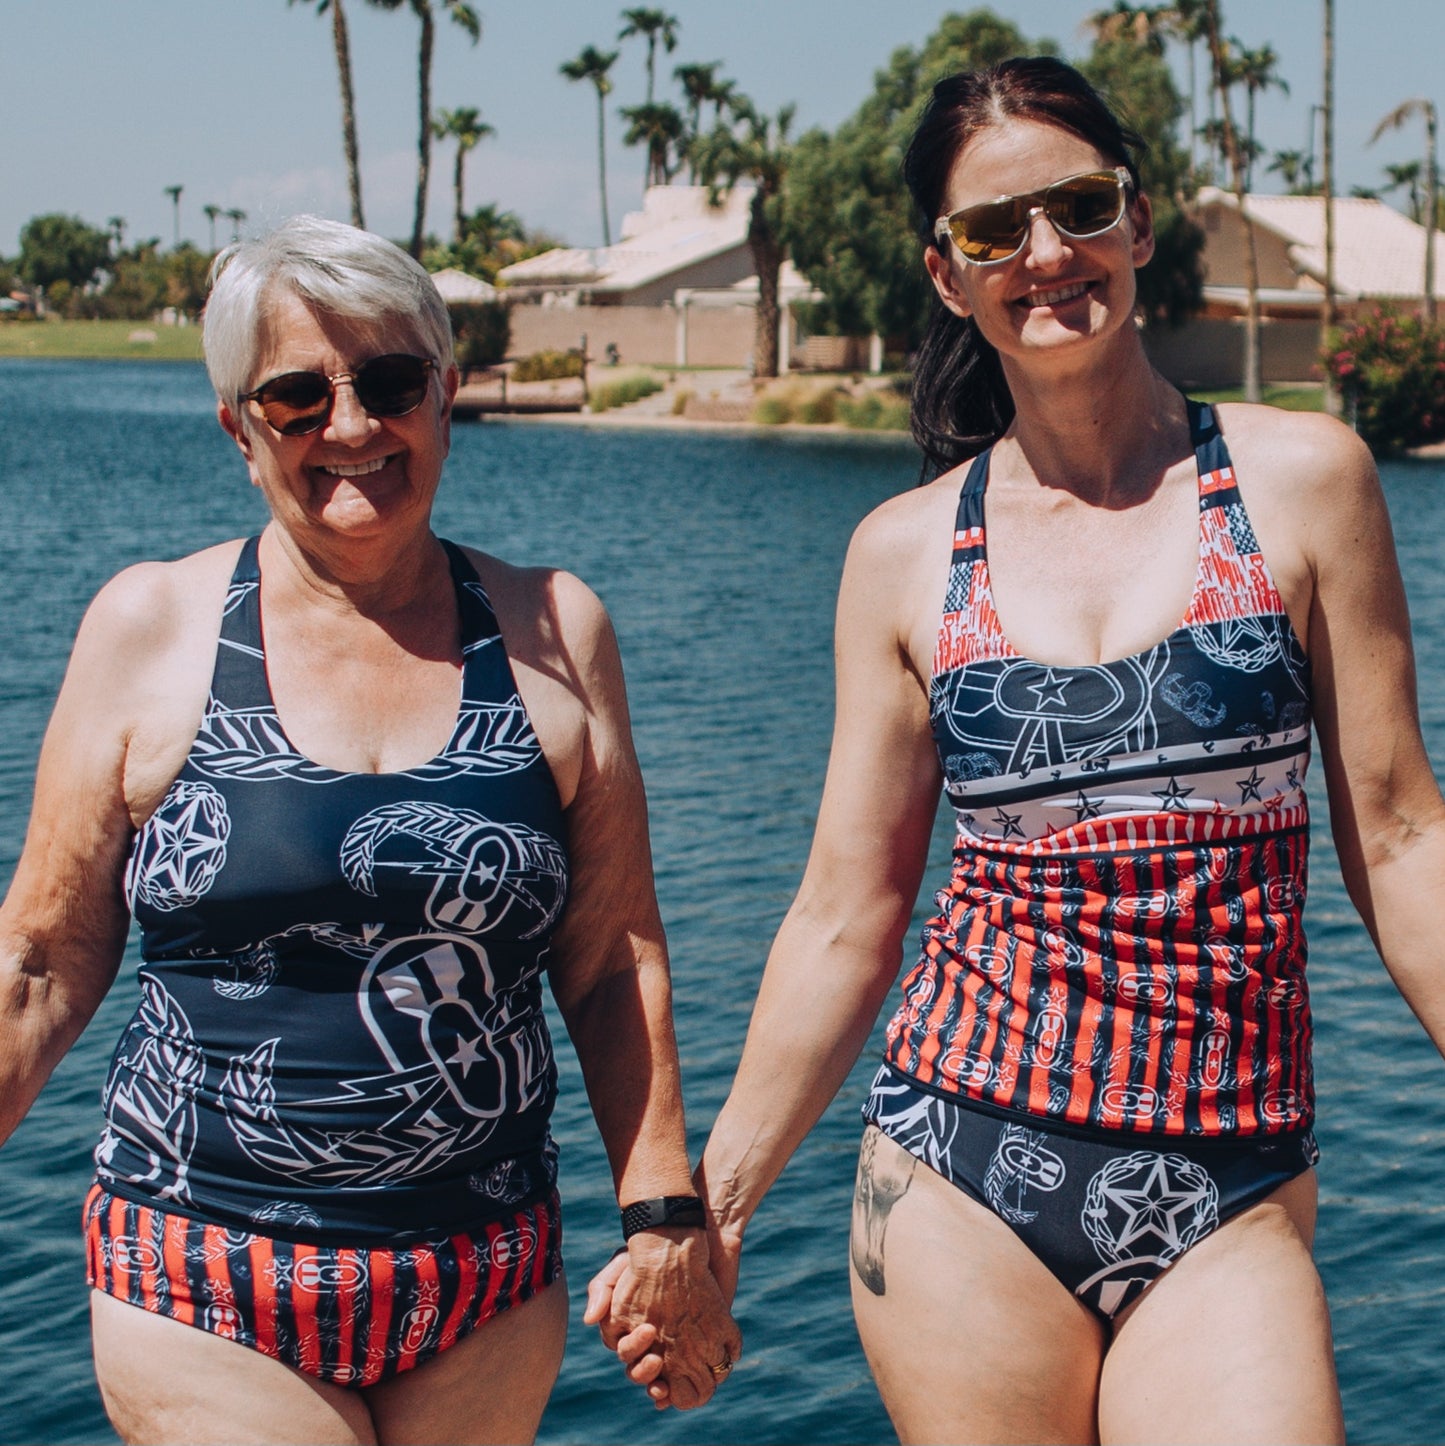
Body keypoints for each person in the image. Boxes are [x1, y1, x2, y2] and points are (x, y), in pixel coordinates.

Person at [591, 56, 1445, 1441]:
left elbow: (1402, 840)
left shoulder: (1300, 484)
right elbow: (842, 913)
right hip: (961, 1162)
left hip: (1226, 1172)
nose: (1045, 254)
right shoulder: (905, 555)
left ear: (1140, 222)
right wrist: (708, 1211)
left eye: (1079, 207)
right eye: (994, 231)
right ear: (946, 272)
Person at [0, 214, 738, 1445]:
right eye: (298, 396)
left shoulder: (554, 631)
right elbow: (37, 966)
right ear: (241, 431)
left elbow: (611, 962)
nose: (351, 427)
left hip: (486, 1280)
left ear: (444, 396)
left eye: (390, 382)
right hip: (202, 1268)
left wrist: (666, 1223)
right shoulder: (152, 628)